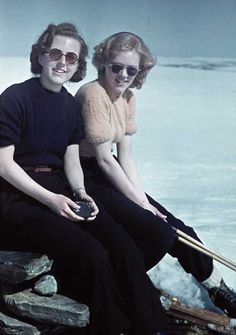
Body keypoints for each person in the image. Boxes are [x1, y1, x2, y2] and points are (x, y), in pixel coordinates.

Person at [0, 24, 173, 335]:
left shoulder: (68, 106)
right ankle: (112, 324)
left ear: (78, 66)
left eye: (71, 57)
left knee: (124, 246)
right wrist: (52, 200)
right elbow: (4, 166)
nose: (62, 62)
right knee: (92, 252)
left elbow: (70, 160)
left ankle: (149, 325)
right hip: (16, 199)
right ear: (41, 56)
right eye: (55, 53)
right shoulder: (15, 97)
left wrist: (80, 192)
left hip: (59, 188)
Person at [75, 31, 236, 321]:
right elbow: (103, 160)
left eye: (131, 70)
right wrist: (144, 207)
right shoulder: (92, 94)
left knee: (178, 227)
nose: (123, 74)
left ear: (139, 72)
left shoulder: (127, 98)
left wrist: (145, 201)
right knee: (158, 230)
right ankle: (125, 284)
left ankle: (216, 288)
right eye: (116, 67)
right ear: (104, 64)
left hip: (108, 170)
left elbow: (124, 157)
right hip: (86, 175)